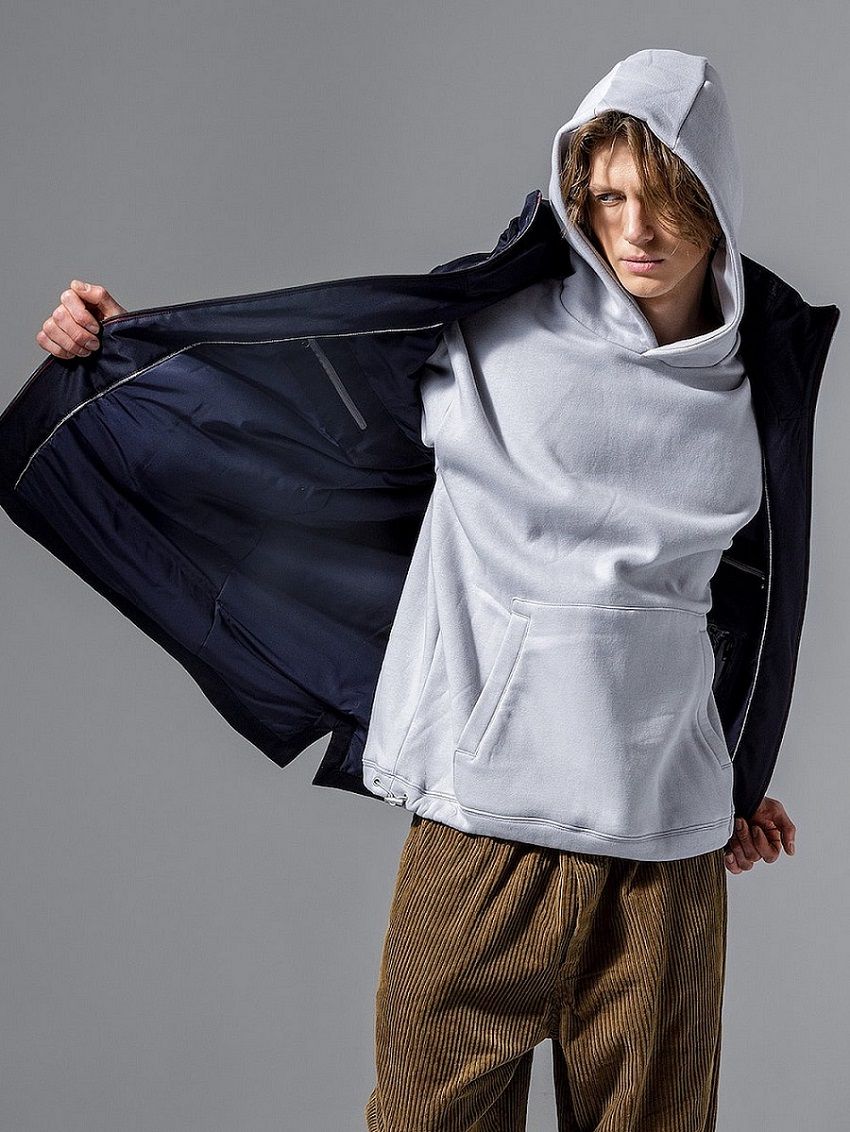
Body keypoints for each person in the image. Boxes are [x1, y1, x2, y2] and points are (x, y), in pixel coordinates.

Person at [25, 50, 831, 1132]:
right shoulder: (492, 331)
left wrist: (733, 773)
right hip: (483, 829)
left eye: (668, 198)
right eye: (609, 198)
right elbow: (286, 430)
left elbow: (741, 600)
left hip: (667, 853)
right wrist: (131, 359)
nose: (635, 230)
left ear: (716, 199)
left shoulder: (758, 381)